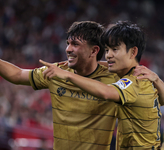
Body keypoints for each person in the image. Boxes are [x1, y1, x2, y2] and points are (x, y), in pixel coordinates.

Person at [0, 21, 119, 150]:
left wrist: (139, 69)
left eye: (75, 44)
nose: (68, 49)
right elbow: (17, 75)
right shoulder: (56, 71)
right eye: (68, 43)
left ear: (94, 50)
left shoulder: (115, 76)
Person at [40, 21, 162, 149]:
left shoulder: (133, 81)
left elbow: (107, 92)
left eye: (114, 49)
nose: (108, 55)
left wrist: (68, 75)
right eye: (107, 49)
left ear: (133, 52)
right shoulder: (146, 77)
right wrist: (158, 80)